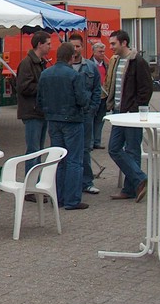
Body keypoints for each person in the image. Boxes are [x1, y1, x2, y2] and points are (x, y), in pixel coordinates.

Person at [37, 42, 89, 210]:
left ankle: (57, 196)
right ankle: (72, 200)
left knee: (58, 159)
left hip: (53, 119)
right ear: (71, 57)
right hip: (72, 120)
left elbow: (39, 100)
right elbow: (82, 99)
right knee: (74, 160)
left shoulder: (45, 74)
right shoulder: (74, 75)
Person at [106, 29, 153, 202]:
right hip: (118, 112)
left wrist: (135, 109)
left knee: (132, 149)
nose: (110, 47)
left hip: (131, 113)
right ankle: (139, 179)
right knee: (114, 148)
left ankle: (131, 188)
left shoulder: (137, 61)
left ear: (124, 43)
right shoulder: (116, 61)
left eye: (113, 43)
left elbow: (146, 89)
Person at [68, 33, 103, 196]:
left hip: (86, 114)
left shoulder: (90, 67)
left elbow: (97, 89)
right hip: (69, 115)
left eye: (78, 46)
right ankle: (70, 183)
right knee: (67, 149)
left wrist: (93, 108)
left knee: (85, 148)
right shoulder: (64, 67)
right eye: (72, 46)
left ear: (82, 47)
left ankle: (87, 182)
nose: (75, 49)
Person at [17, 31, 51, 174]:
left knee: (39, 149)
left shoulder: (41, 63)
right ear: (39, 44)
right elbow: (23, 87)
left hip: (40, 111)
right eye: (48, 44)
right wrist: (44, 87)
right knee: (33, 150)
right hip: (32, 111)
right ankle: (30, 186)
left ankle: (35, 183)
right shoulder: (27, 63)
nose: (50, 47)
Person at [90, 42, 108, 149]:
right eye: (100, 52)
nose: (102, 54)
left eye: (103, 51)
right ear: (94, 52)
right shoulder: (89, 64)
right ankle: (91, 142)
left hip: (104, 96)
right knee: (91, 119)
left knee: (100, 120)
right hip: (93, 96)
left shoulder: (106, 64)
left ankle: (97, 141)